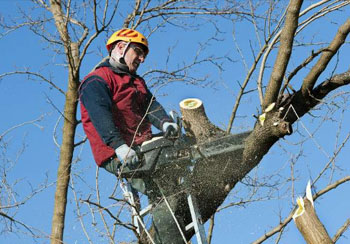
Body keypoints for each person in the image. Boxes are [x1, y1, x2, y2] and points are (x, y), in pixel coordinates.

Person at [79, 28, 189, 243]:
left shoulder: (136, 81)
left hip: (143, 146)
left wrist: (165, 123)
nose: (141, 59)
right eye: (138, 52)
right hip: (117, 153)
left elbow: (151, 106)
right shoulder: (96, 80)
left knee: (182, 158)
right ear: (121, 47)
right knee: (164, 190)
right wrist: (118, 146)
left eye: (143, 55)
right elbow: (100, 116)